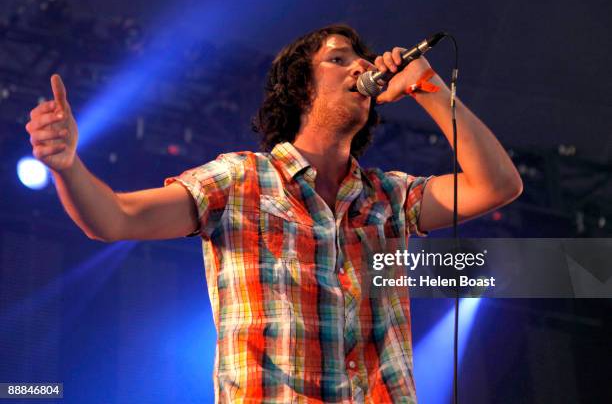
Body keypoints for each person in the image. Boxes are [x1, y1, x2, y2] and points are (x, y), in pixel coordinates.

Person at [26, 24, 522, 403]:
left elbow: (497, 186)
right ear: (302, 88)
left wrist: (430, 86)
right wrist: (68, 166)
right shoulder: (239, 179)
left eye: (363, 60)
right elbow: (115, 219)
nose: (361, 68)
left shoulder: (387, 197)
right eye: (338, 58)